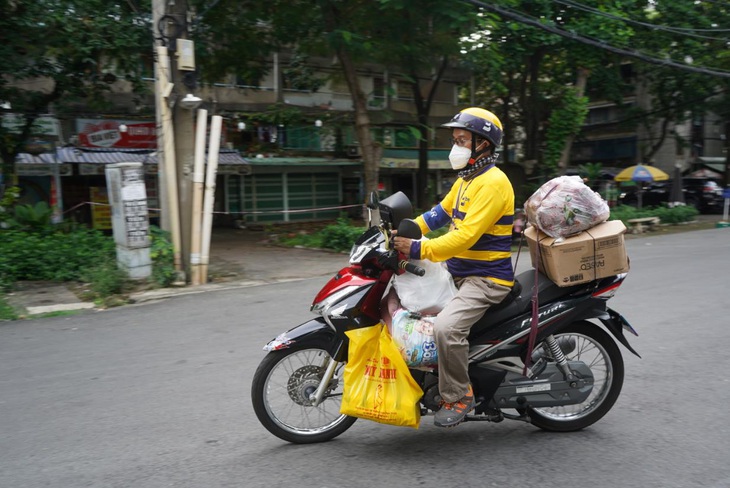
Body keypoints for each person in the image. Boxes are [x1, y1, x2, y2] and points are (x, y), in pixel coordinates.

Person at [393, 107, 515, 428]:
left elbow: (463, 237)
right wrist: (402, 231)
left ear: (483, 144)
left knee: (446, 328)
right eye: (455, 140)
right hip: (460, 272)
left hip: (486, 280)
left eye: (462, 141)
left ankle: (459, 395)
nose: (456, 147)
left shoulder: (492, 183)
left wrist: (417, 248)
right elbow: (437, 216)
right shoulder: (467, 181)